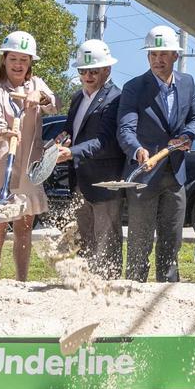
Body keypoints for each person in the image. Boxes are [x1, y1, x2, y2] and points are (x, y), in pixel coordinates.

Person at [117, 25, 195, 283]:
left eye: (163, 54)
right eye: (153, 54)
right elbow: (125, 128)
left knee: (171, 240)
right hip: (144, 176)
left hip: (175, 175)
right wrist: (137, 149)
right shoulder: (134, 88)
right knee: (140, 243)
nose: (158, 59)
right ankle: (134, 289)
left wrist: (188, 136)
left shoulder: (187, 83)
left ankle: (168, 291)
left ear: (176, 56)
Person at [0, 31, 57, 285]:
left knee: (24, 230)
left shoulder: (36, 84)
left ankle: (21, 283)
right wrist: (4, 130)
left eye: (24, 59)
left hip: (29, 168)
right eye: (13, 59)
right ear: (4, 59)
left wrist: (39, 97)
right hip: (1, 168)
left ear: (30, 62)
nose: (18, 65)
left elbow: (54, 104)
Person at [58, 39, 124, 278]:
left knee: (106, 242)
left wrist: (72, 152)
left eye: (93, 71)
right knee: (85, 241)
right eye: (83, 71)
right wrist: (63, 138)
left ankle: (111, 288)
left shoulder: (115, 98)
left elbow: (105, 141)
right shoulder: (77, 98)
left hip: (105, 181)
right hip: (80, 181)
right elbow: (70, 130)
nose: (87, 76)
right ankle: (86, 287)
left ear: (107, 70)